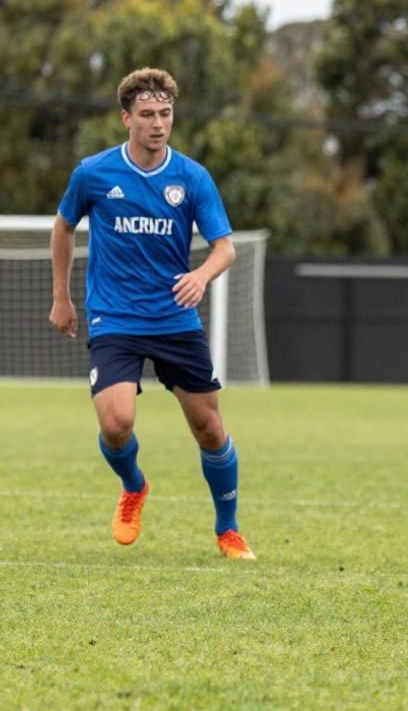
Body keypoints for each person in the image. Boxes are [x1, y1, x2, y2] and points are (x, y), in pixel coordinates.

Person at [49, 67, 254, 560]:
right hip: (115, 318)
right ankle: (134, 486)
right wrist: (61, 296)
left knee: (209, 429)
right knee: (116, 423)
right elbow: (62, 227)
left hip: (175, 321)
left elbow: (225, 249)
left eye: (165, 114)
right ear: (127, 119)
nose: (158, 123)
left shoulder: (191, 177)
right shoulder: (94, 173)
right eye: (147, 115)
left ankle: (228, 530)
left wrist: (201, 276)